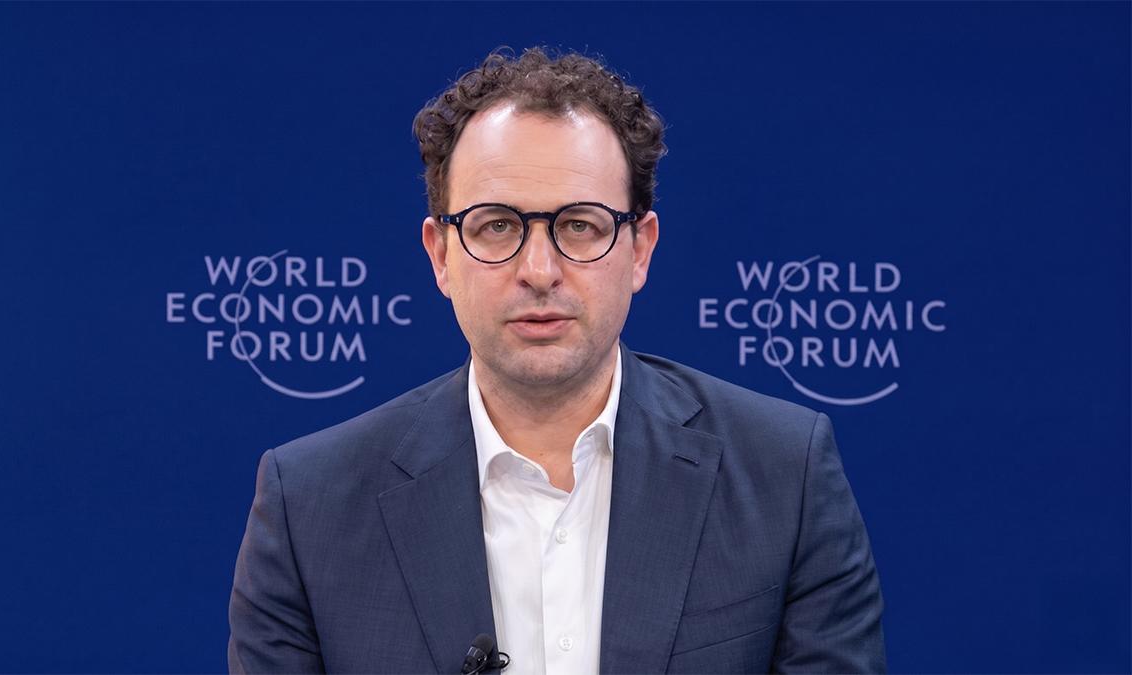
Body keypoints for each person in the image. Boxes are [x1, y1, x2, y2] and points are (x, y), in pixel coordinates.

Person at [228, 47, 886, 674]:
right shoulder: (308, 508)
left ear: (640, 249)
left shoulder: (785, 475)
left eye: (579, 225)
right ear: (440, 255)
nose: (539, 271)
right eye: (496, 226)